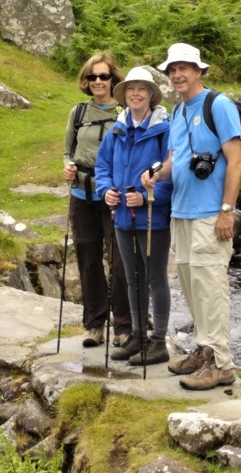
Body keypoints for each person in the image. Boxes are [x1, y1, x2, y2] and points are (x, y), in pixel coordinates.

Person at [141, 42, 241, 390]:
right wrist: (157, 172)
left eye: (183, 68)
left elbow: (236, 160)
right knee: (191, 286)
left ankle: (221, 364)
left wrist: (226, 211)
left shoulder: (220, 105)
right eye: (172, 70)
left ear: (199, 71)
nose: (177, 75)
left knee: (211, 288)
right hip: (181, 213)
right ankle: (203, 349)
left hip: (209, 214)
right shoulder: (179, 111)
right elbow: (175, 161)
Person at [96, 67, 172, 365]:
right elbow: (103, 165)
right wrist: (106, 191)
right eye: (131, 89)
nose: (136, 93)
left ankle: (159, 342)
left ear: (152, 95)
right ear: (124, 95)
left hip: (153, 218)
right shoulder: (117, 129)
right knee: (132, 278)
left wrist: (146, 197)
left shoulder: (164, 131)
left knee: (156, 278)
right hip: (122, 217)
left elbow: (172, 174)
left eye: (142, 89)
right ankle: (138, 336)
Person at [63, 52, 132, 348]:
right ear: (86, 80)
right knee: (88, 259)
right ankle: (94, 325)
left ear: (114, 79)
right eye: (92, 77)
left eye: (104, 76)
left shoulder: (126, 113)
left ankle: (124, 326)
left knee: (120, 260)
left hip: (114, 196)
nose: (98, 81)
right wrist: (67, 166)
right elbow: (68, 150)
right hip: (81, 195)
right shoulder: (78, 113)